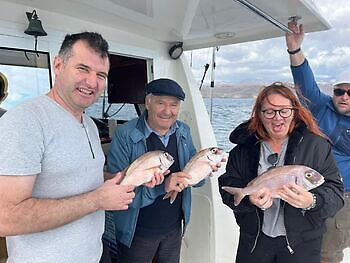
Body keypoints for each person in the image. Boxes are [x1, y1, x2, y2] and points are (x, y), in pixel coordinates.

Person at [0, 32, 139, 263]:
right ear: (58, 65)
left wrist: (122, 178)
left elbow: (83, 177)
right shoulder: (25, 120)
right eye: (82, 69)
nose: (92, 82)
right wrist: (97, 200)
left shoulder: (90, 125)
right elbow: (6, 217)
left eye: (101, 75)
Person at [218, 82, 344, 263]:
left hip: (302, 244)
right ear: (259, 115)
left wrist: (312, 201)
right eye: (269, 111)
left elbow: (335, 192)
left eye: (284, 110)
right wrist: (249, 199)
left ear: (294, 112)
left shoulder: (316, 146)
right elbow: (227, 187)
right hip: (254, 241)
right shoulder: (243, 148)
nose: (278, 118)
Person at [107, 78, 222, 263]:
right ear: (148, 102)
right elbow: (119, 192)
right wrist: (162, 187)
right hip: (137, 232)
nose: (167, 111)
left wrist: (206, 169)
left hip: (173, 229)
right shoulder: (125, 135)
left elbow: (194, 180)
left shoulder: (183, 131)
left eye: (174, 105)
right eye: (161, 103)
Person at [285, 21, 350, 263]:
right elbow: (304, 80)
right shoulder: (320, 105)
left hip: (343, 196)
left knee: (329, 252)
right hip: (307, 186)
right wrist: (294, 49)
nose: (344, 97)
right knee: (301, 242)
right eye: (339, 91)